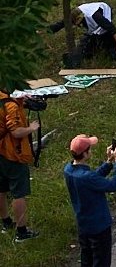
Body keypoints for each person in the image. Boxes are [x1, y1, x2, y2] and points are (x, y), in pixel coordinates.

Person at [64, 135, 116, 266]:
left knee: (87, 259)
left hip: (83, 225)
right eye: (89, 149)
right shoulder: (87, 177)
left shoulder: (68, 170)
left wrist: (109, 162)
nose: (91, 151)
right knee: (101, 261)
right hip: (99, 227)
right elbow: (114, 185)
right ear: (85, 154)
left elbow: (93, 179)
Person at [0, 86, 38, 241]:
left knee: (1, 189)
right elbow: (16, 132)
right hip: (12, 154)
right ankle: (21, 232)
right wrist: (31, 128)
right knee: (19, 193)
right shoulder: (9, 105)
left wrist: (21, 102)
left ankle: (6, 223)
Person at [50, 2, 116, 63]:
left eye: (79, 23)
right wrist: (46, 30)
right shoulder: (74, 14)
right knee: (88, 44)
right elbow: (61, 24)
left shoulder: (96, 17)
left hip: (103, 14)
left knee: (105, 39)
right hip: (92, 20)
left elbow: (113, 29)